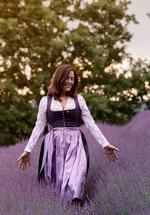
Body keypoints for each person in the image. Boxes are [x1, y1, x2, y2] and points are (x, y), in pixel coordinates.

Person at [17, 64, 119, 203]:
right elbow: (39, 126)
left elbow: (90, 123)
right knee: (56, 183)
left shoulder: (79, 100)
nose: (70, 81)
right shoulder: (45, 101)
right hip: (53, 146)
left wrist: (105, 144)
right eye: (68, 78)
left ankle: (74, 205)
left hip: (76, 145)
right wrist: (28, 150)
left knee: (76, 180)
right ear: (59, 78)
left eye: (72, 79)